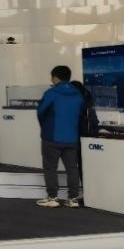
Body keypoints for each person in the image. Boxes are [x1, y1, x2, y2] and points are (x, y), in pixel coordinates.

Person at [36, 65, 84, 208]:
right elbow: (81, 114)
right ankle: (73, 199)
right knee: (72, 168)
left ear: (55, 78)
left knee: (50, 167)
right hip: (72, 138)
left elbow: (41, 112)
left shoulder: (51, 93)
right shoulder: (78, 94)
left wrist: (45, 127)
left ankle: (53, 198)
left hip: (52, 137)